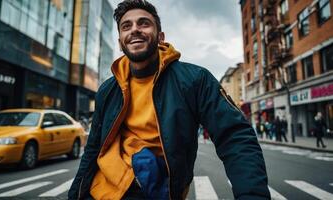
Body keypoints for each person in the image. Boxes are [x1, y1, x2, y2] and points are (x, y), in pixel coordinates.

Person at [68, 0, 270, 199]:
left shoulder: (195, 80)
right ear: (121, 42)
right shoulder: (107, 90)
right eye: (126, 26)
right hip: (99, 190)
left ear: (160, 37)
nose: (135, 30)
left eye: (144, 23)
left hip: (154, 191)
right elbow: (93, 149)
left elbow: (235, 137)